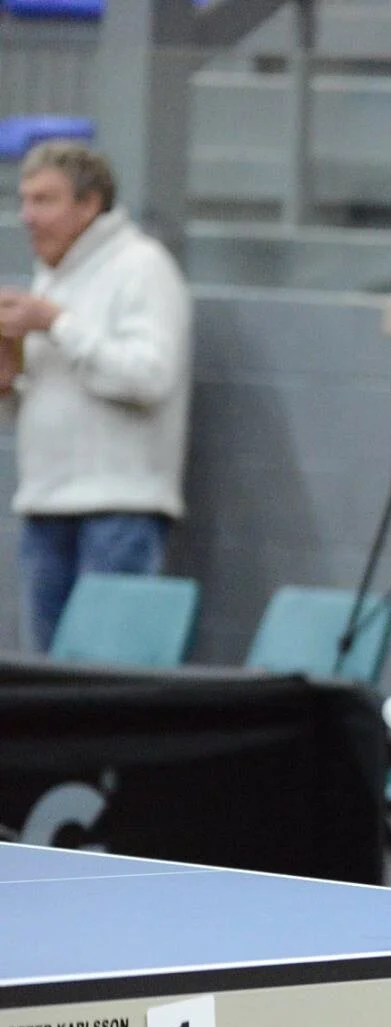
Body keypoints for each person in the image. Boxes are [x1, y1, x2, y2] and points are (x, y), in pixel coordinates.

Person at [0, 141, 191, 653]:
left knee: (108, 671)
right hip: (44, 504)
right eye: (24, 201)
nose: (27, 216)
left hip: (119, 509)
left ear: (89, 204)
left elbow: (150, 377)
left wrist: (56, 323)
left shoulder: (142, 267)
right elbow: (48, 399)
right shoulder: (52, 275)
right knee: (47, 680)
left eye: (44, 200)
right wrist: (9, 377)